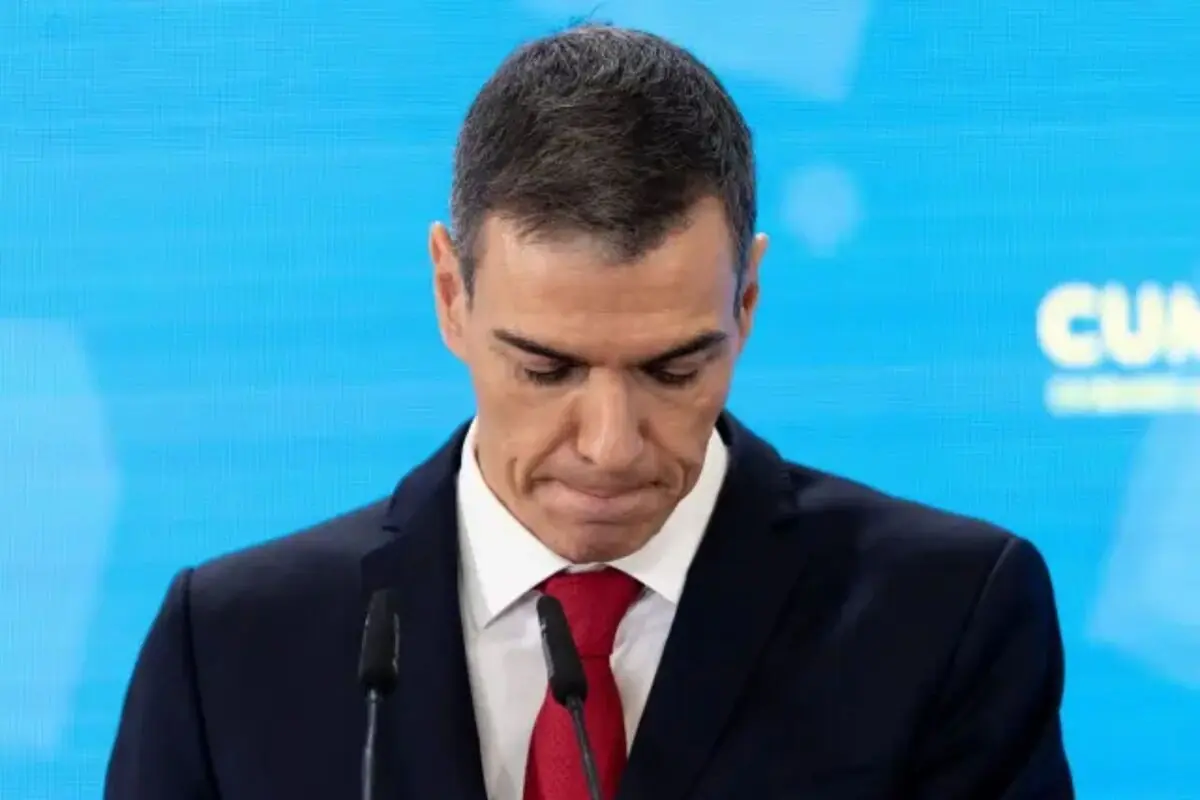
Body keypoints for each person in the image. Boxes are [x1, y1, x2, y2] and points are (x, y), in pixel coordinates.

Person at [104, 23, 1073, 800]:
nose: (610, 445)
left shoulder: (947, 614)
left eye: (674, 366)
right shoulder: (233, 645)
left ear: (747, 302)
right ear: (451, 293)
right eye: (547, 367)